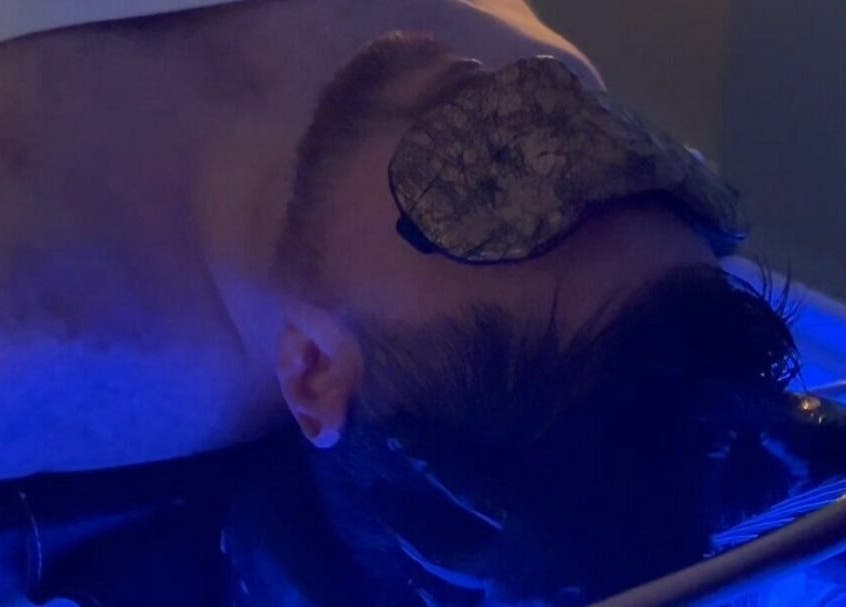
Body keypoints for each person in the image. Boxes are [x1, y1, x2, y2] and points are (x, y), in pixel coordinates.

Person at [0, 0, 816, 605]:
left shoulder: (38, 321)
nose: (536, 101)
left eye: (487, 199)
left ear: (315, 372)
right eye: (627, 160)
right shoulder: (528, 70)